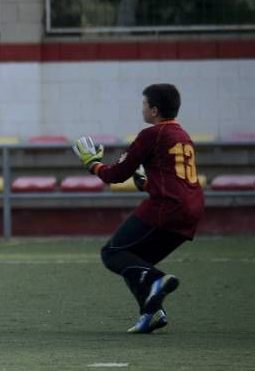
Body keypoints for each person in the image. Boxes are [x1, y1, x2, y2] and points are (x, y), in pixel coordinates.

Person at [72, 83, 204, 334]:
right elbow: (174, 180)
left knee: (112, 253)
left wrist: (93, 164)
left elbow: (116, 174)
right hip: (191, 210)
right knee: (134, 262)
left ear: (154, 110)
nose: (142, 108)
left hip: (167, 208)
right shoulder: (182, 135)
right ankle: (151, 313)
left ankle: (155, 280)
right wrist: (145, 182)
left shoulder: (151, 134)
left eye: (144, 104)